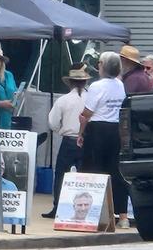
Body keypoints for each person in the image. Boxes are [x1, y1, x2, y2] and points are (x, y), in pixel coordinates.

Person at [77, 52, 130, 229]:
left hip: (98, 129)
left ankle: (94, 214)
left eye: (99, 63)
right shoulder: (120, 85)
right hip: (115, 130)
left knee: (93, 170)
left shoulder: (96, 86)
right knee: (116, 171)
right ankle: (123, 215)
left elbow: (87, 113)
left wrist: (80, 132)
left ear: (103, 66)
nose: (97, 66)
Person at [42, 63, 90, 219]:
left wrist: (60, 130)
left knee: (61, 175)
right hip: (87, 140)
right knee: (85, 175)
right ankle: (88, 207)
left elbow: (52, 122)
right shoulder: (91, 98)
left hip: (69, 140)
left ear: (70, 82)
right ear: (85, 81)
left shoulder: (63, 100)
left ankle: (57, 207)